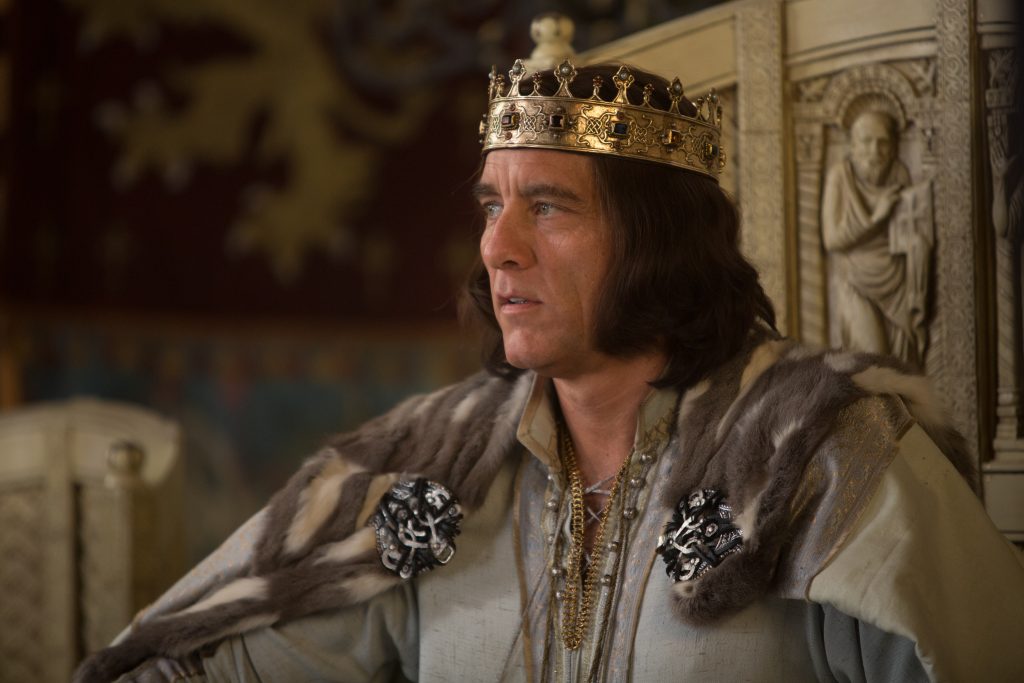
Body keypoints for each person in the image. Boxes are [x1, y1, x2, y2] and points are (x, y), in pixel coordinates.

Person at [77, 50, 1024, 683]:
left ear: (659, 241)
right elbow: (204, 664)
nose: (498, 247)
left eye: (549, 207)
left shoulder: (819, 453)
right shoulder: (437, 469)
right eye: (492, 206)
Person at [821, 110, 929, 367]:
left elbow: (909, 228)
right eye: (866, 141)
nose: (875, 151)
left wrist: (918, 244)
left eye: (883, 142)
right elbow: (832, 239)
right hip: (855, 281)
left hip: (898, 284)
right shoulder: (840, 177)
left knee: (902, 365)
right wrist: (875, 219)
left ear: (893, 148)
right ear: (852, 146)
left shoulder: (899, 173)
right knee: (873, 361)